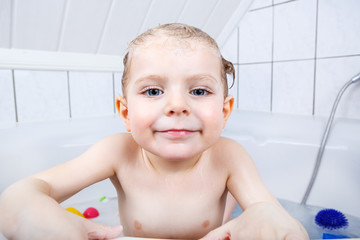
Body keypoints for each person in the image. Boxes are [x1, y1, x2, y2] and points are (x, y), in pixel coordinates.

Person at [0, 23, 309, 240]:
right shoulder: (118, 153)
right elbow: (20, 194)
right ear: (125, 112)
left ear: (225, 112)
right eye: (152, 91)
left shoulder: (228, 158)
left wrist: (266, 220)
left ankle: (230, 209)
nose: (177, 105)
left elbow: (284, 223)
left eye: (199, 91)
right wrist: (40, 216)